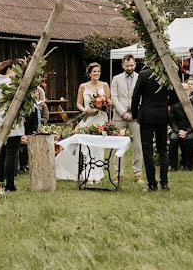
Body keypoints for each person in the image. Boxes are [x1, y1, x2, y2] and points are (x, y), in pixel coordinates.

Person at [57, 62, 111, 183]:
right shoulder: (83, 86)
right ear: (89, 73)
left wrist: (104, 106)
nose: (97, 73)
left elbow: (108, 102)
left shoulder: (105, 85)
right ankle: (86, 174)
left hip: (101, 118)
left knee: (98, 147)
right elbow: (79, 104)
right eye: (94, 71)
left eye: (98, 71)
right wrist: (85, 109)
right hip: (88, 119)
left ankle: (97, 175)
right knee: (86, 147)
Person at [0, 62, 28, 191]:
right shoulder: (13, 83)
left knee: (1, 153)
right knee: (12, 153)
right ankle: (10, 184)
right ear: (9, 69)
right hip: (12, 120)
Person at [131, 65, 173, 192]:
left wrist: (135, 114)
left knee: (147, 151)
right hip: (162, 115)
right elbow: (174, 95)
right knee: (163, 150)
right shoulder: (167, 73)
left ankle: (152, 184)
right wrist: (165, 104)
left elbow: (136, 96)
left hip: (147, 115)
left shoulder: (143, 74)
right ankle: (164, 183)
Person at [110, 54, 143, 184]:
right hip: (119, 116)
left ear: (135, 64)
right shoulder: (116, 79)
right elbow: (114, 97)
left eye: (131, 65)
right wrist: (123, 113)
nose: (129, 67)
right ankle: (118, 174)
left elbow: (142, 97)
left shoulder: (140, 77)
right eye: (127, 65)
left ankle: (137, 174)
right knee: (118, 145)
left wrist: (134, 112)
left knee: (138, 146)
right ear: (123, 65)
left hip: (136, 117)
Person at [169, 82, 193, 171]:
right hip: (177, 130)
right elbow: (172, 121)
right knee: (173, 138)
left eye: (186, 89)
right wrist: (178, 131)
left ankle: (188, 165)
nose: (184, 91)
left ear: (190, 90)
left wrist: (187, 131)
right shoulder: (174, 105)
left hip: (191, 130)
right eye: (181, 90)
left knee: (190, 139)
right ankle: (173, 166)